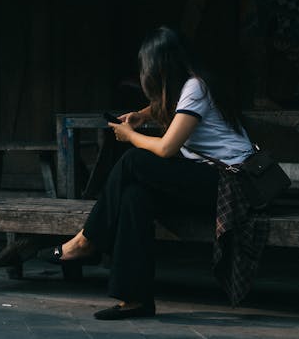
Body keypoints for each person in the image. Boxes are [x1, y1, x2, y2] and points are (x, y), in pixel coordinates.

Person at [38, 26, 256, 320]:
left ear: (159, 68)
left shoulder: (196, 87)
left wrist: (130, 135)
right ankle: (135, 299)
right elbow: (166, 106)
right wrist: (141, 115)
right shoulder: (189, 87)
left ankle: (86, 241)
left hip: (234, 184)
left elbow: (167, 149)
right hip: (212, 180)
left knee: (133, 161)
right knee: (134, 196)